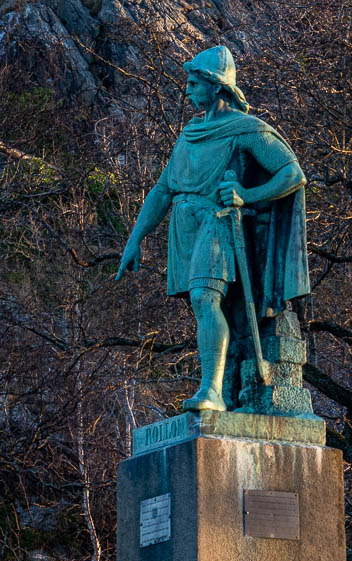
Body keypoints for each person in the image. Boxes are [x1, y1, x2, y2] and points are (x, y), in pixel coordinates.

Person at [116, 46, 309, 412]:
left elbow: (292, 173)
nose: (186, 90)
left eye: (192, 83)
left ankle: (213, 392)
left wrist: (246, 194)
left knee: (205, 299)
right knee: (204, 307)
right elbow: (162, 190)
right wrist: (135, 239)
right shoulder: (190, 133)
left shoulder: (244, 129)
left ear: (215, 86)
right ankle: (222, 383)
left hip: (217, 223)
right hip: (184, 227)